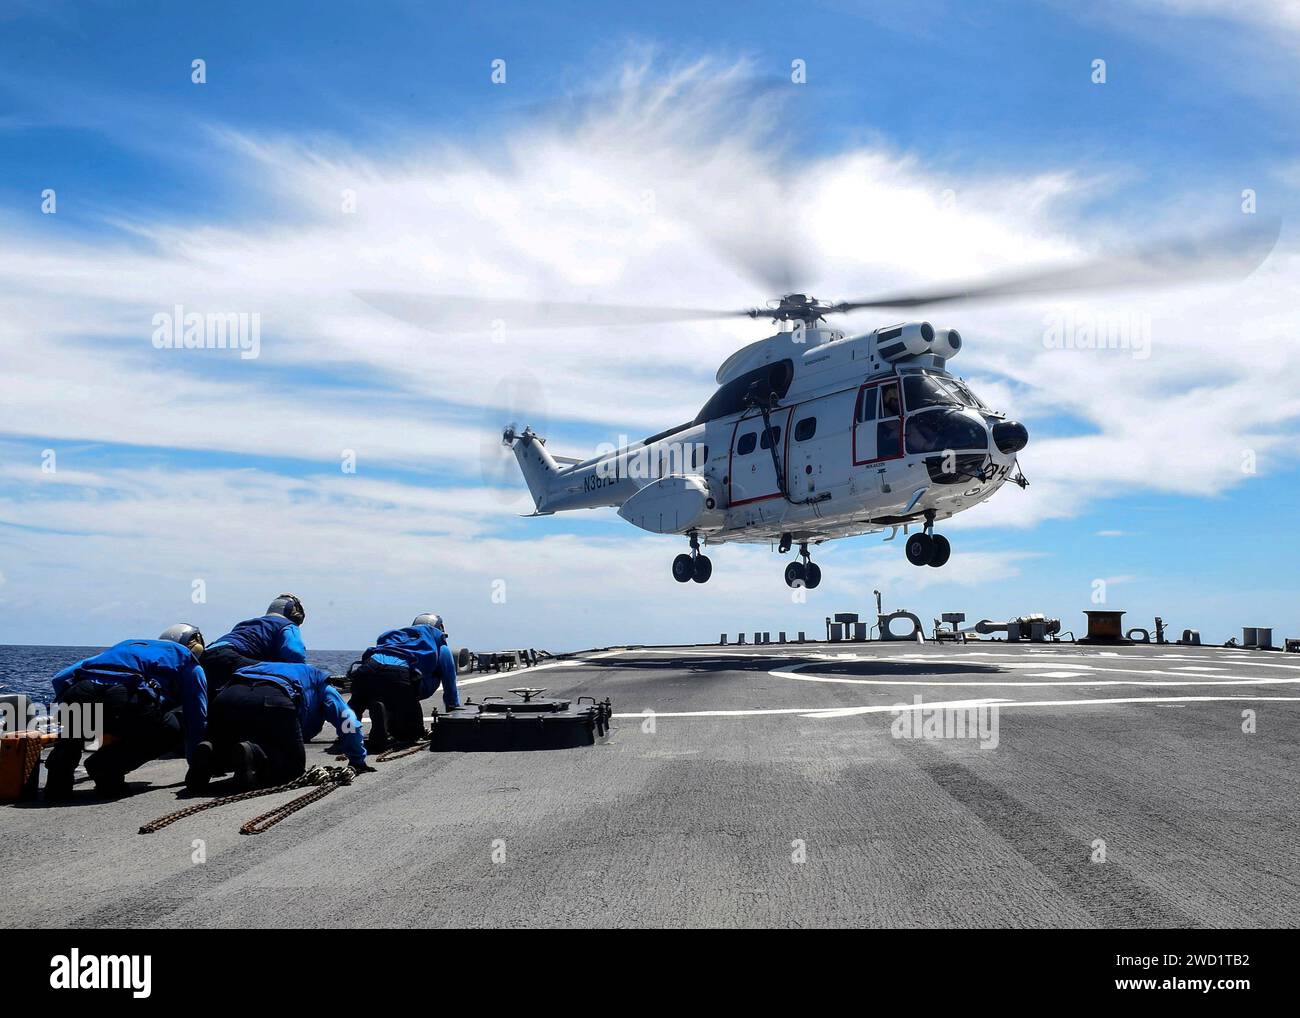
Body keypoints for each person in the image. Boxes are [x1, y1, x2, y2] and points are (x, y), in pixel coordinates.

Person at [43, 625, 208, 800]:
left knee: (75, 730)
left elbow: (60, 678)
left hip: (79, 691)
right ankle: (105, 768)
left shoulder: (128, 645)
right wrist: (196, 766)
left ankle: (57, 782)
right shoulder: (188, 662)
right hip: (124, 697)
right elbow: (196, 717)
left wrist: (71, 711)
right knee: (171, 729)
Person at [187, 660, 369, 791]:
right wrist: (357, 760)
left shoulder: (262, 666)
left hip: (227, 698)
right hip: (274, 700)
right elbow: (348, 722)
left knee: (232, 740)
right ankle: (253, 753)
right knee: (292, 769)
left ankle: (211, 755)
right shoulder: (319, 681)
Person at [347, 612, 461, 750]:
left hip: (368, 669)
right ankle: (387, 718)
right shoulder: (441, 647)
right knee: (410, 734)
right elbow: (449, 684)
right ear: (441, 629)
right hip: (398, 677)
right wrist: (453, 711)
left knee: (358, 701)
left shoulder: (398, 638)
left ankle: (348, 733)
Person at [200, 593, 308, 697]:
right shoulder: (287, 624)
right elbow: (295, 653)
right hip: (229, 656)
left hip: (207, 655)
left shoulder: (248, 623)